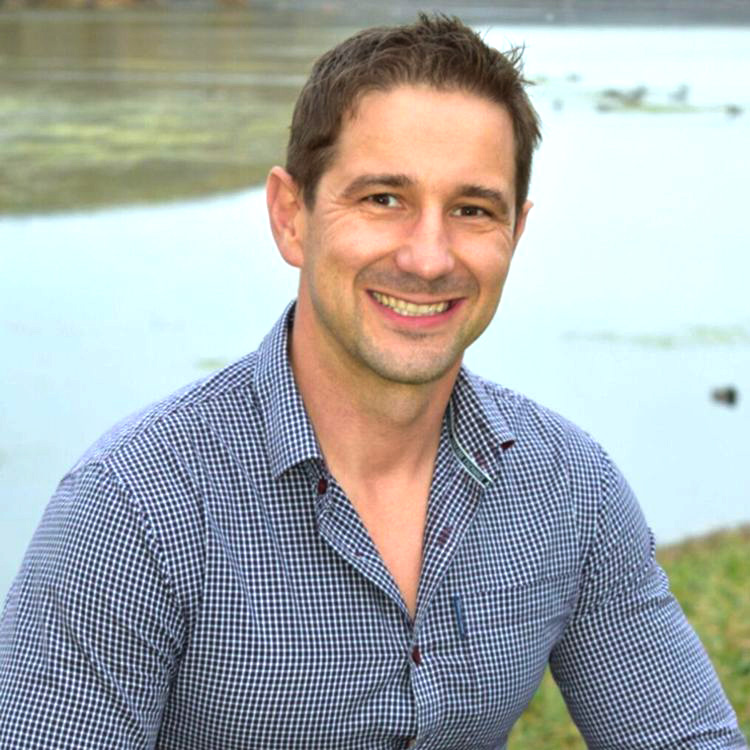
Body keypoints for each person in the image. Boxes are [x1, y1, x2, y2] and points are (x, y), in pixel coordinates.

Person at [0, 14, 746, 750]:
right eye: (384, 199)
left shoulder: (569, 490)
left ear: (515, 234)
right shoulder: (133, 509)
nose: (428, 257)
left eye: (472, 210)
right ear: (291, 217)